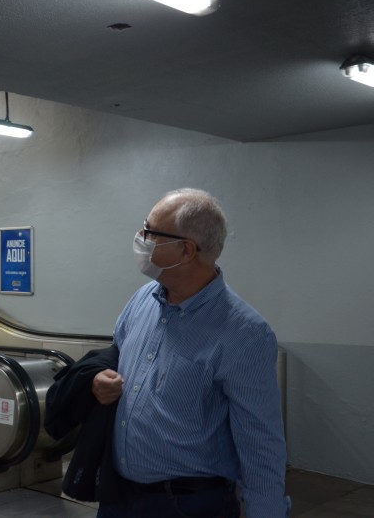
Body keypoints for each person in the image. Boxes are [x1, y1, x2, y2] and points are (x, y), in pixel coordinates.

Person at [91, 188, 289, 518]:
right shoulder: (142, 299)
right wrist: (100, 379)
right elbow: (114, 355)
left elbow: (261, 444)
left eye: (151, 231)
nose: (141, 237)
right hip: (118, 497)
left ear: (185, 250)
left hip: (187, 506)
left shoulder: (244, 334)